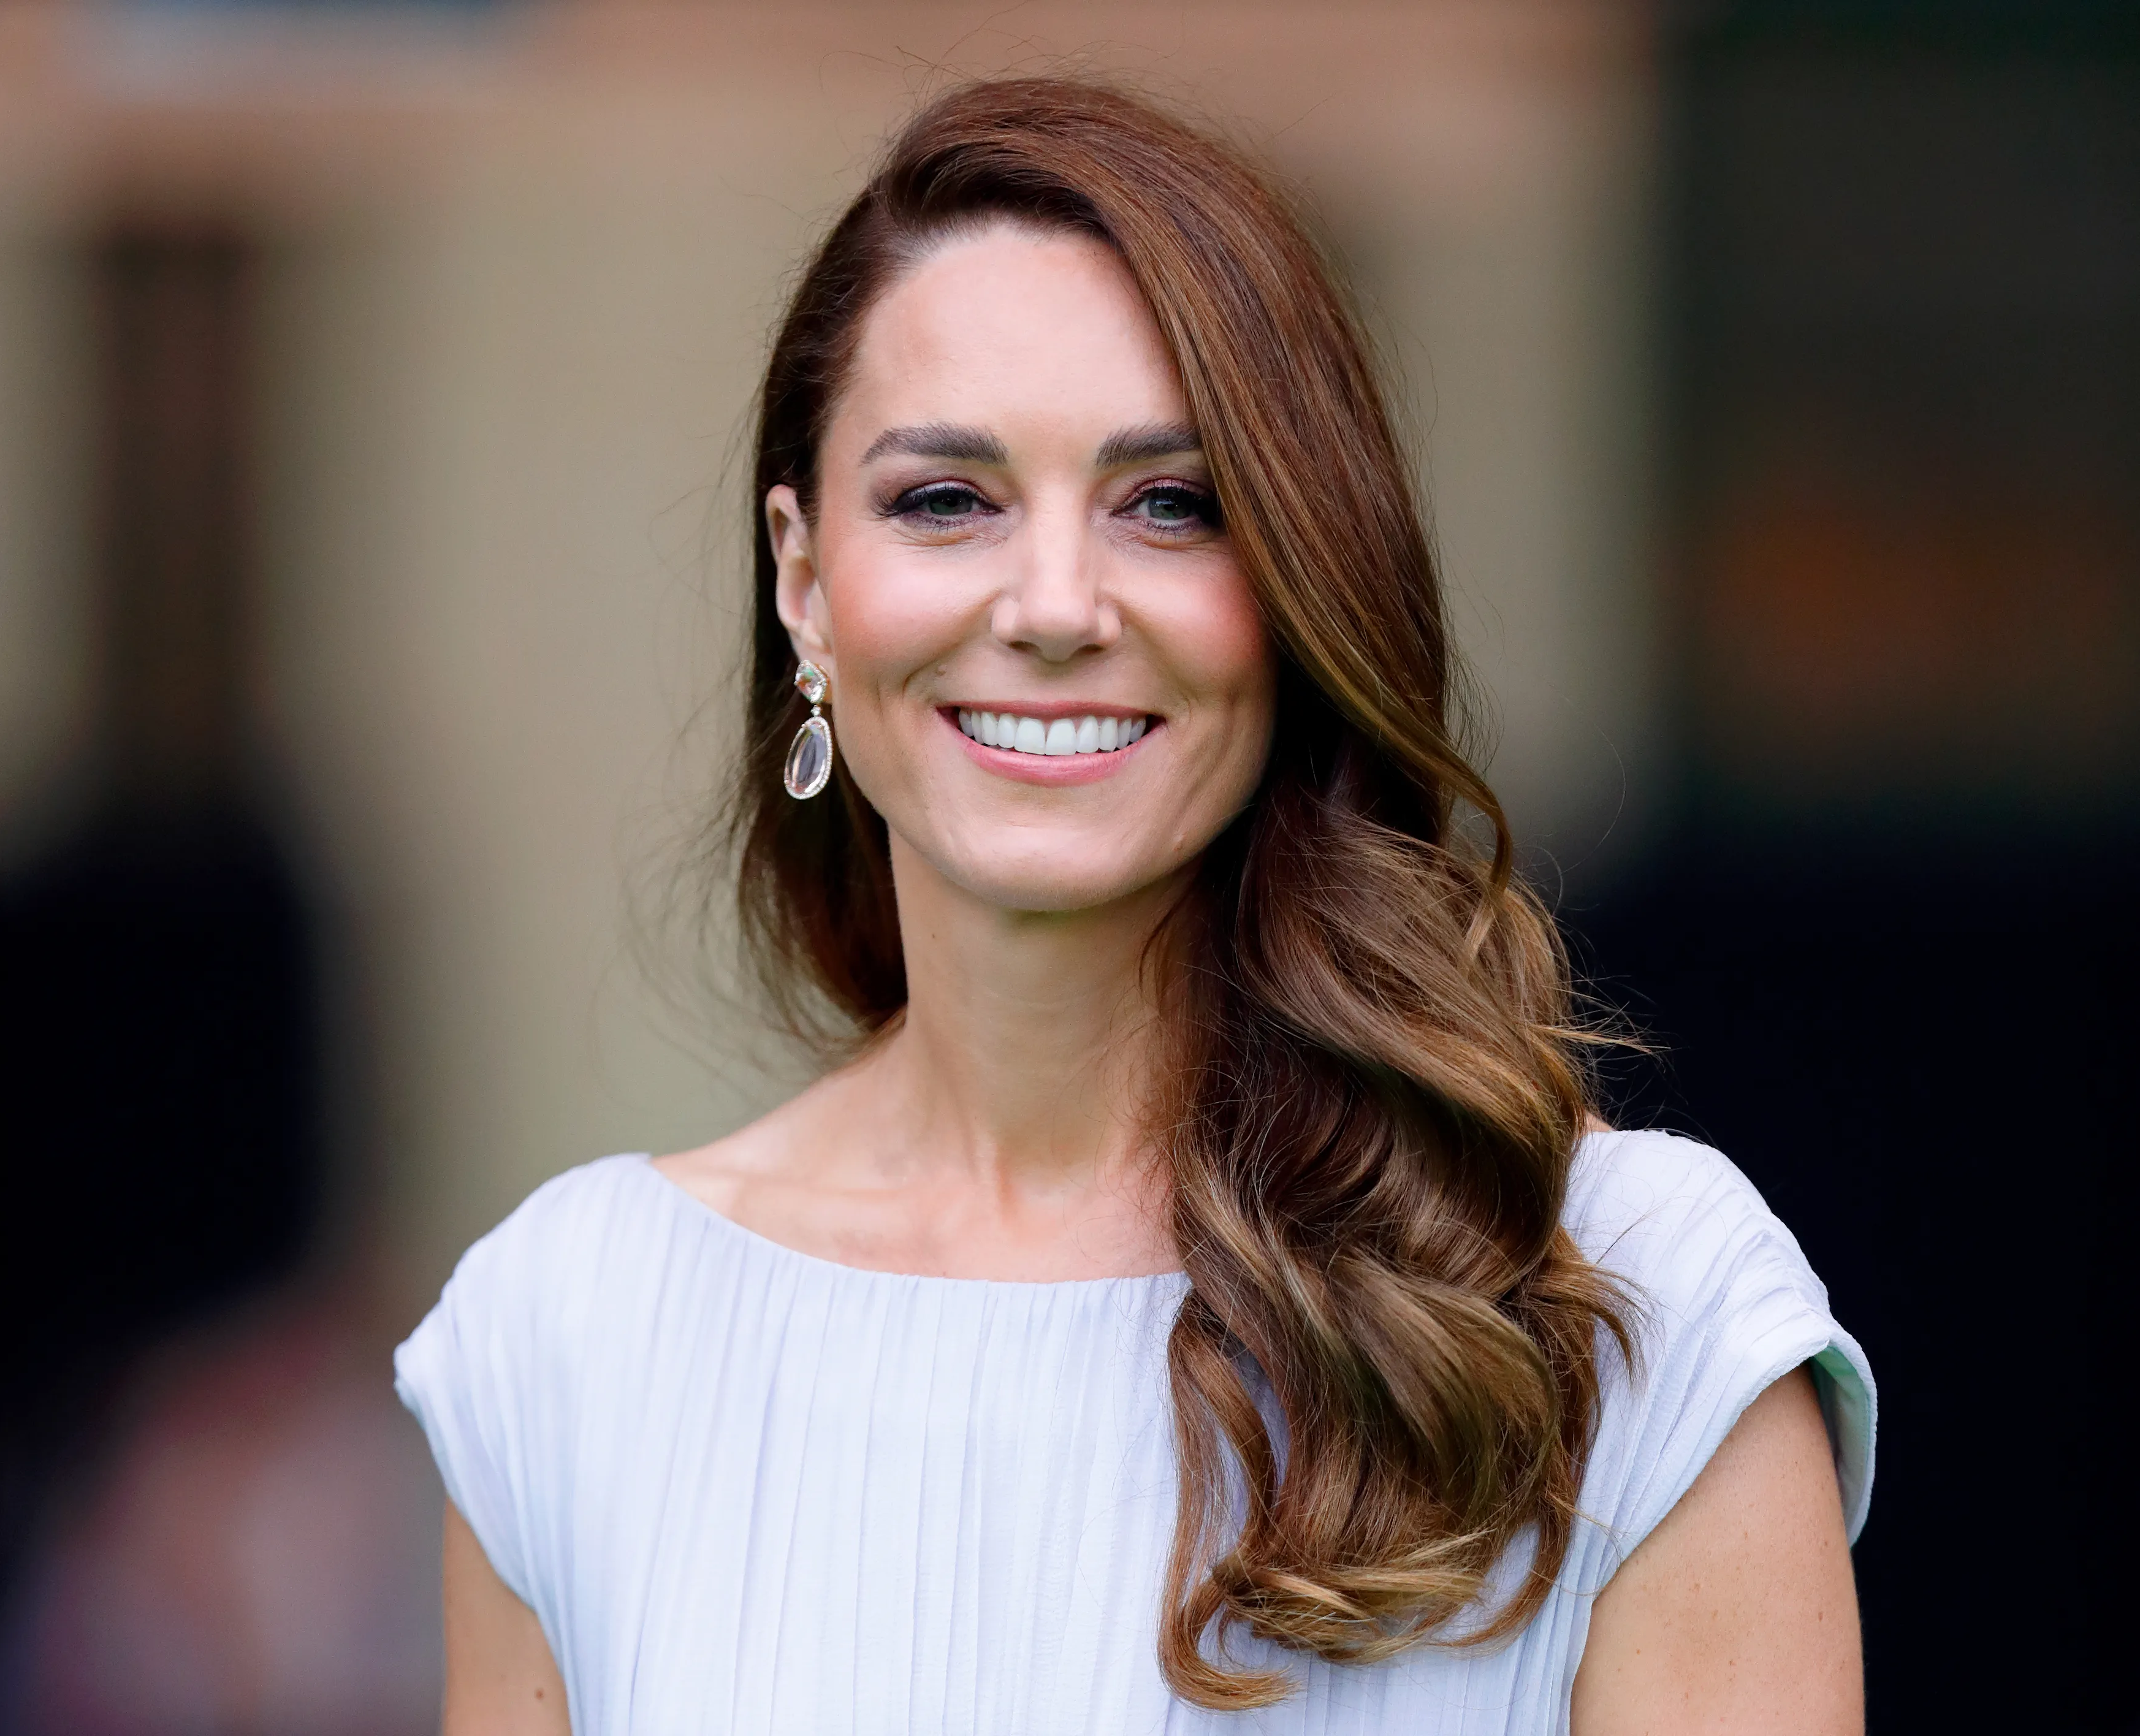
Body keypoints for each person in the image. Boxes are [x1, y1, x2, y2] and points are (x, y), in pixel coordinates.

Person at [395, 77, 1874, 1734]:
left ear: (1300, 583)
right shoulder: (567, 1338)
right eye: (944, 500)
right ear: (804, 583)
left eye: (1169, 503)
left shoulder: (1632, 1310)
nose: (1050, 606)